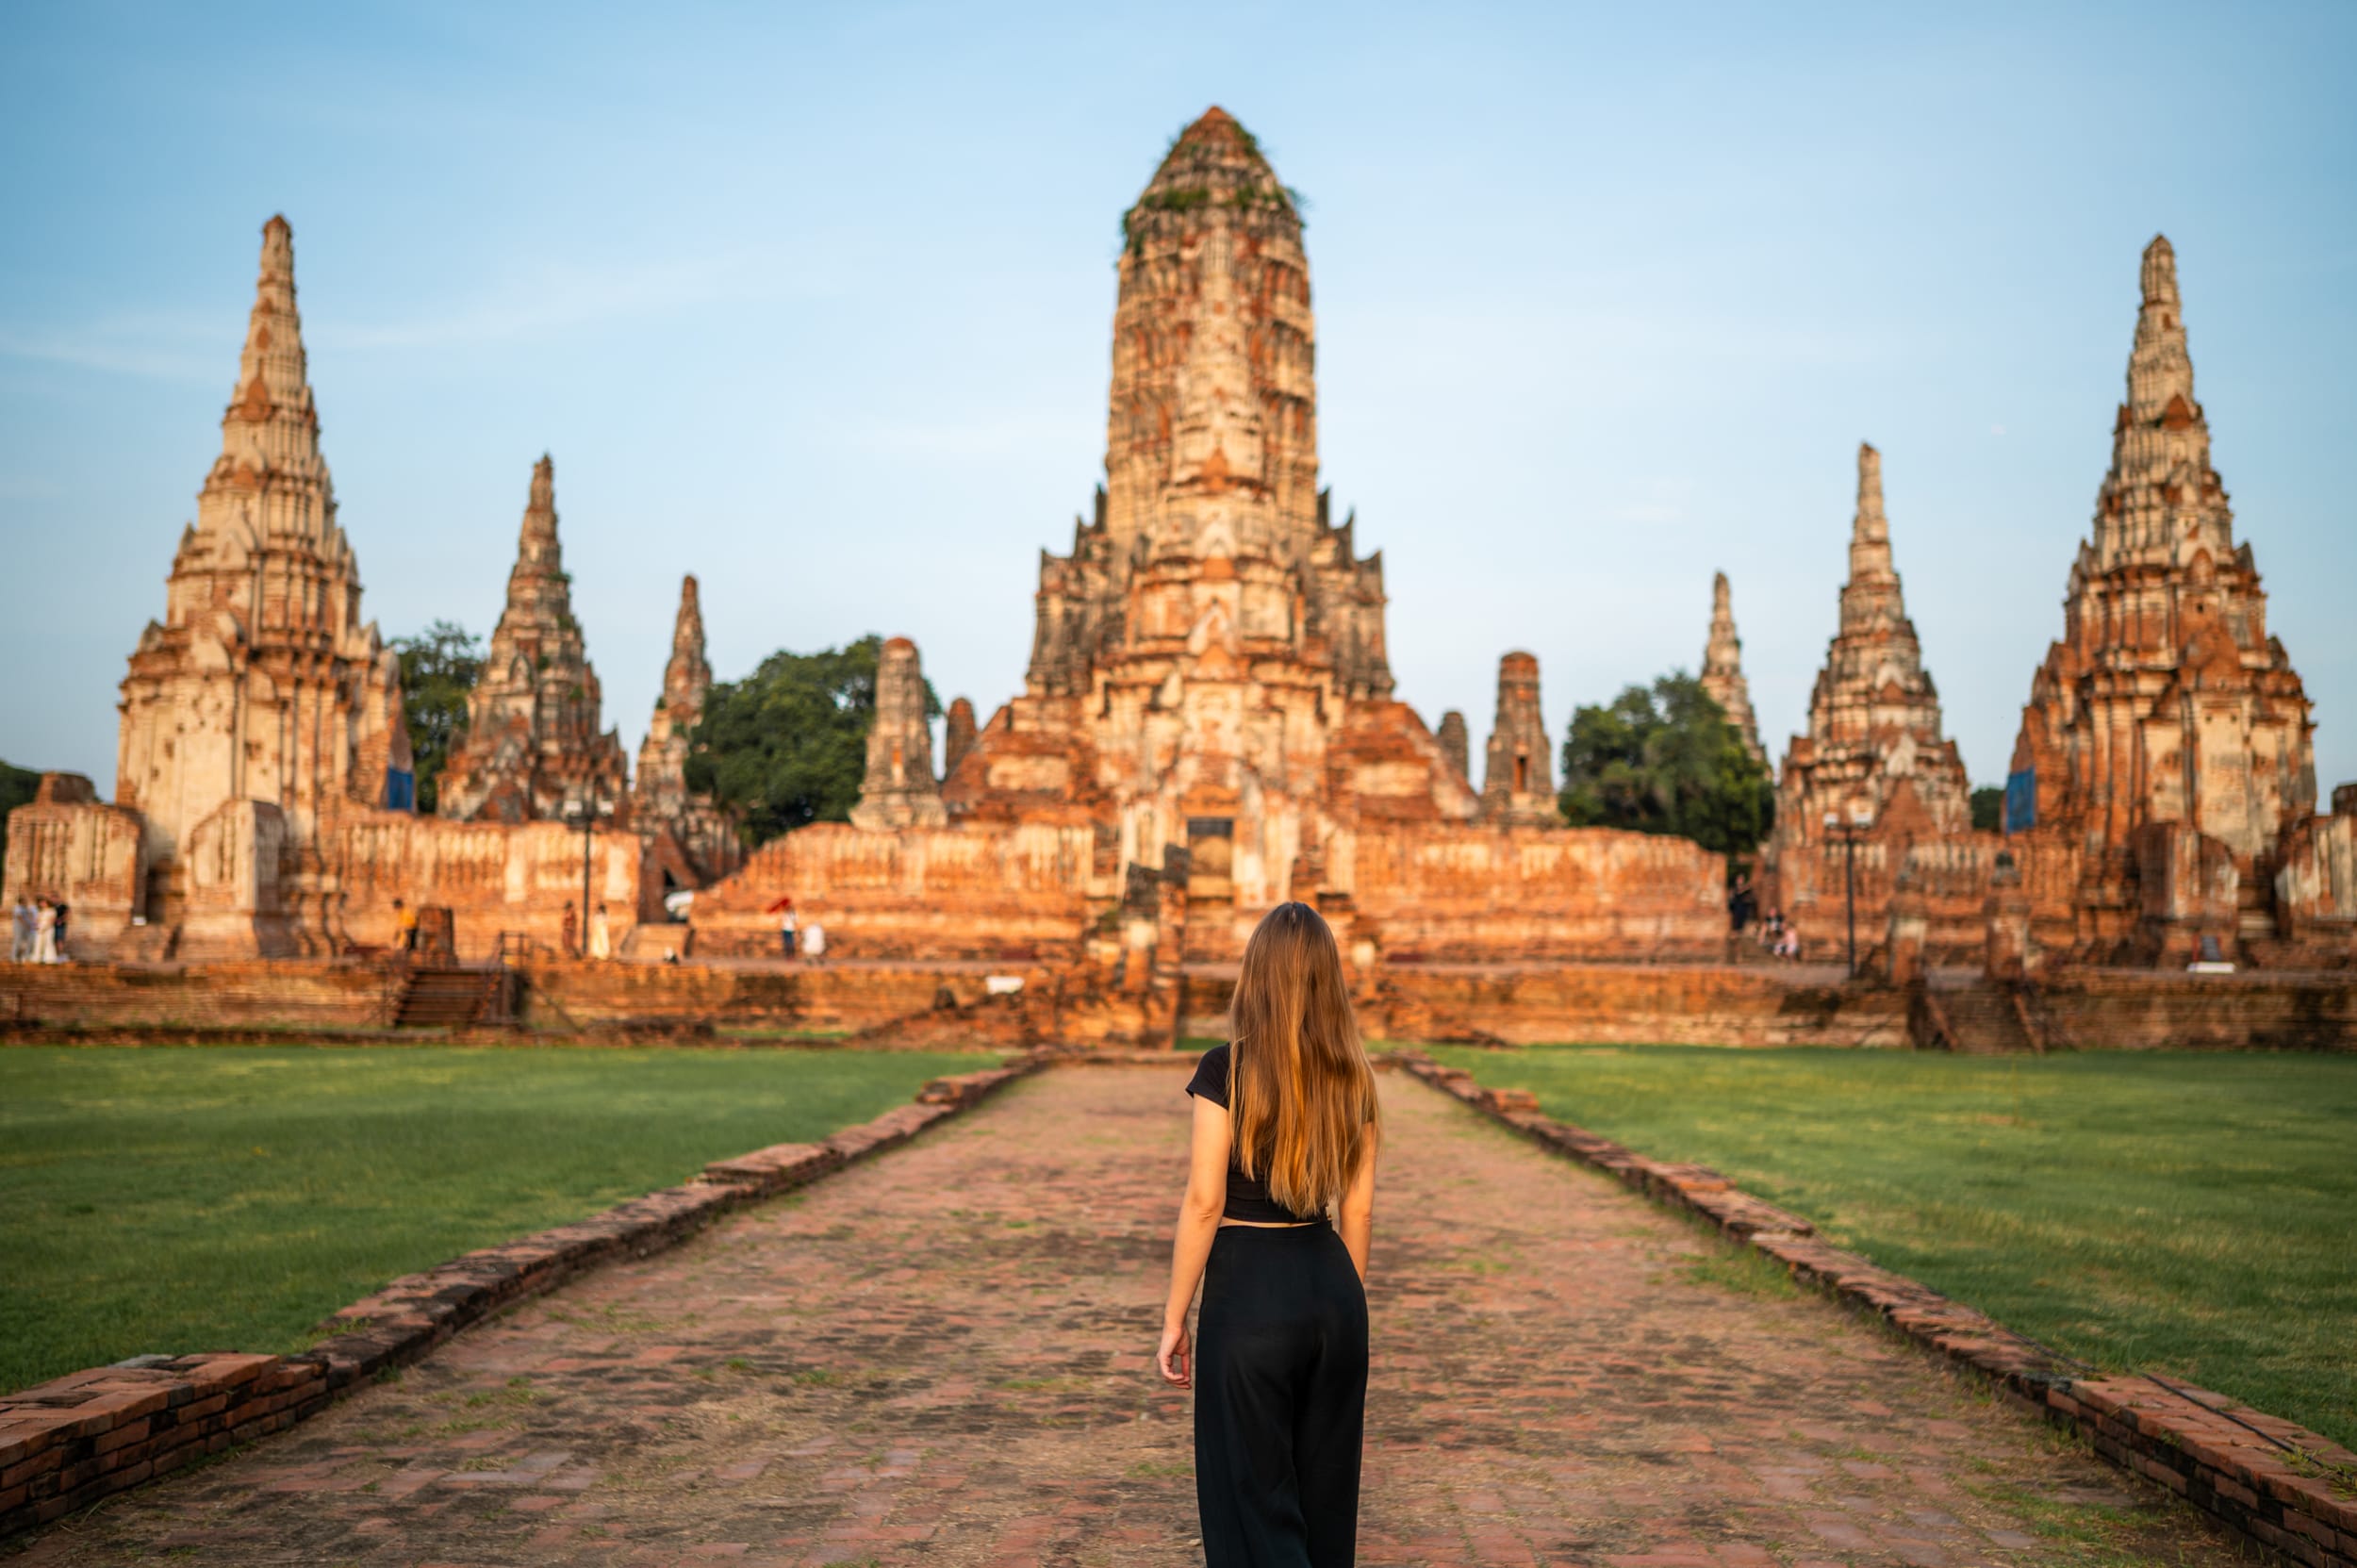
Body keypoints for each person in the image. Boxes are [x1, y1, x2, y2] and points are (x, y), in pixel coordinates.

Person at [1158, 901, 1379, 1567]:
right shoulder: (1353, 1076)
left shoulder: (1226, 1068)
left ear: (1256, 976)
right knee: (1325, 1502)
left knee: (1251, 1500)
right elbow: (1359, 1213)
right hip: (1334, 1290)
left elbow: (1204, 1201)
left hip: (1250, 1291)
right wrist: (1343, 1302)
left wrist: (1175, 1317)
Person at [766, 895, 798, 960]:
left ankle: (791, 956)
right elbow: (780, 921)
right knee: (786, 944)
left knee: (790, 943)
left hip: (790, 930)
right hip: (785, 930)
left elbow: (795, 922)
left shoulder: (793, 914)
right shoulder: (784, 914)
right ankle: (788, 956)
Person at [32, 898, 58, 965]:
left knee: (48, 942)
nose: (42, 904)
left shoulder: (52, 911)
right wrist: (37, 926)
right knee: (39, 943)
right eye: (42, 903)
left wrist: (45, 927)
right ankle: (38, 958)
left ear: (47, 903)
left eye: (44, 903)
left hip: (49, 928)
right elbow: (37, 919)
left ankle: (50, 959)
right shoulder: (41, 911)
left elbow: (52, 920)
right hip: (40, 928)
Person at [9, 897, 31, 963]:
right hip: (18, 928)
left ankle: (22, 957)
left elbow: (29, 916)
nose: (26, 902)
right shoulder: (17, 908)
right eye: (25, 901)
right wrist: (26, 924)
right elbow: (19, 917)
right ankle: (13, 957)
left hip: (24, 928)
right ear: (21, 901)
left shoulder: (24, 908)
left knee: (24, 943)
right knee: (17, 941)